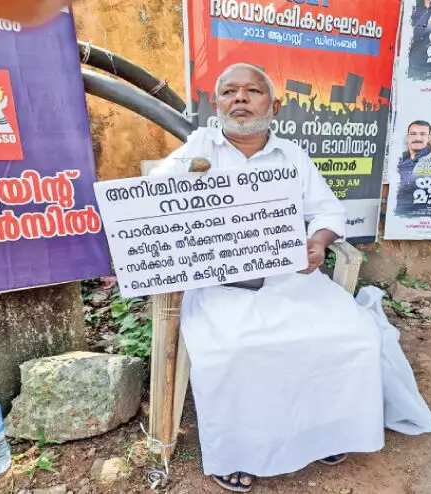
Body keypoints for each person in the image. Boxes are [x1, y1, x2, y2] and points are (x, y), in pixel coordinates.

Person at [151, 63, 386, 492]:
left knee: (353, 334)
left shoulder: (292, 155)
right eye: (229, 92)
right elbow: (153, 198)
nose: (239, 99)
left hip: (287, 277)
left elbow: (329, 211)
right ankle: (239, 451)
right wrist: (186, 173)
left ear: (273, 105)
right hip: (220, 284)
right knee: (236, 349)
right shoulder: (199, 146)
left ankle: (327, 432)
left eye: (252, 91)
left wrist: (319, 241)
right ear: (216, 104)